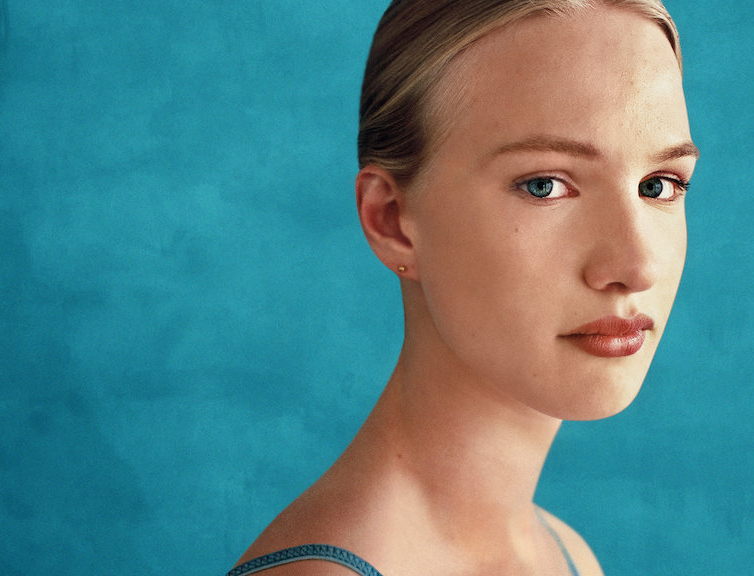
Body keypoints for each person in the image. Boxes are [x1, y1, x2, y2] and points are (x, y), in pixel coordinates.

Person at [228, 0, 698, 574]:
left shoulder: (566, 553)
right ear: (392, 221)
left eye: (659, 185)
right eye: (544, 185)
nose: (637, 266)